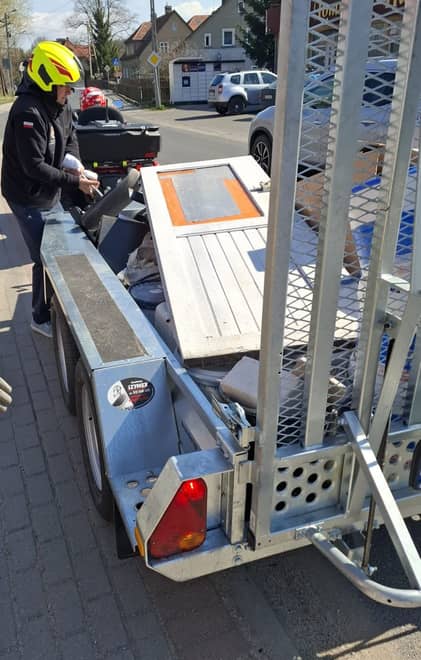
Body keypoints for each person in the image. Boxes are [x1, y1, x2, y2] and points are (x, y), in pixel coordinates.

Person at [1, 41, 99, 338]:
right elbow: (34, 167)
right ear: (47, 82)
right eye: (65, 87)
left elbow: (70, 137)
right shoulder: (27, 112)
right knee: (43, 257)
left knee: (57, 249)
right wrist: (75, 182)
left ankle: (55, 302)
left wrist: (76, 165)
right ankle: (39, 316)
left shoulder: (60, 104)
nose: (69, 93)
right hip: (27, 196)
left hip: (48, 191)